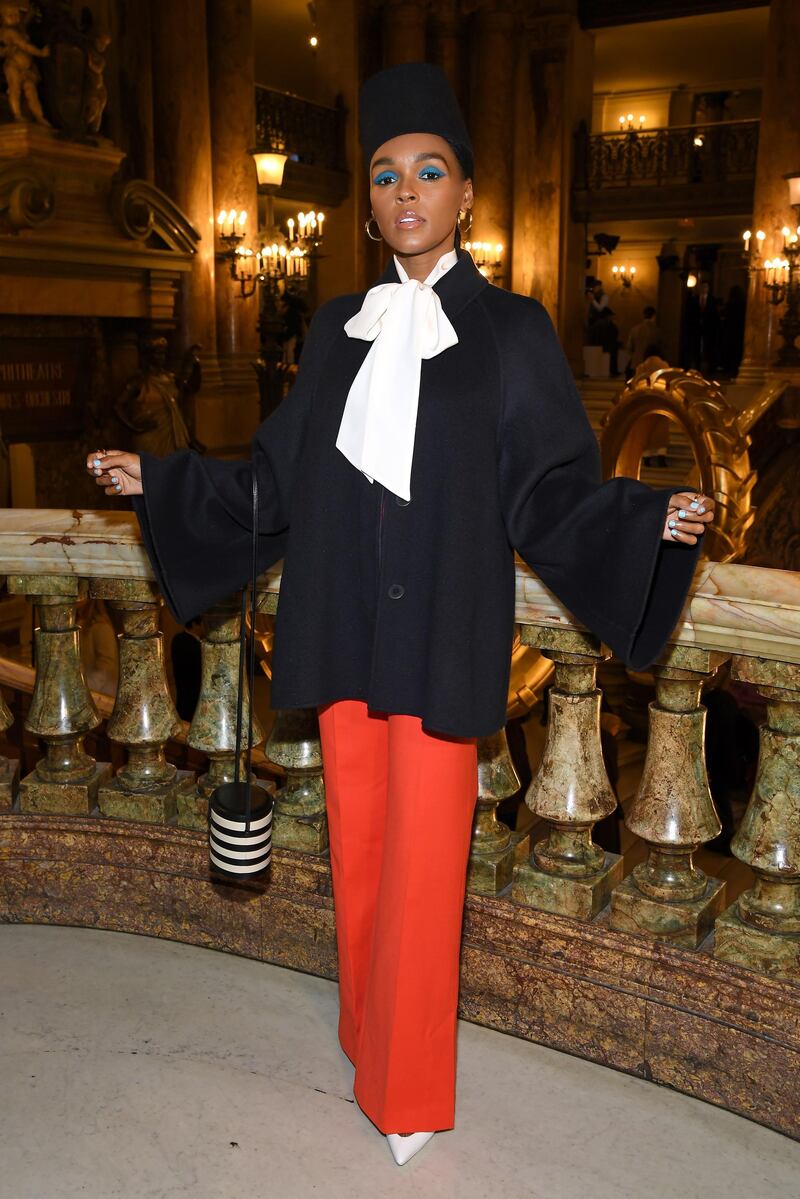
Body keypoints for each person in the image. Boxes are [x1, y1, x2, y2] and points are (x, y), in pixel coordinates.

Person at [85, 62, 714, 1166]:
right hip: (339, 624)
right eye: (385, 174)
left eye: (428, 170)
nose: (406, 191)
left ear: (465, 192)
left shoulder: (512, 332)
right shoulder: (334, 332)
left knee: (427, 874)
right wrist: (169, 483)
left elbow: (549, 488)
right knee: (362, 857)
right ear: (368, 201)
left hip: (438, 632)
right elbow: (274, 482)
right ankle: (365, 1038)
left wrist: (642, 520)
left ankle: (409, 1090)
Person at [626, 306, 665, 372]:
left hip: (636, 363)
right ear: (654, 316)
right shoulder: (657, 331)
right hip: (652, 365)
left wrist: (635, 356)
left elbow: (629, 347)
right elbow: (661, 347)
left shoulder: (635, 329)